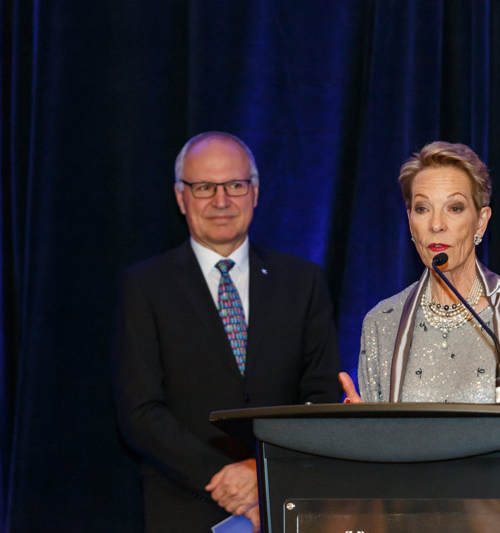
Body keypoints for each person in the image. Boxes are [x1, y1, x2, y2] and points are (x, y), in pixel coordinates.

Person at [113, 132, 341, 532]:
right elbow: (140, 412)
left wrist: (263, 473)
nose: (221, 201)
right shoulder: (144, 287)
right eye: (204, 187)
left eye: (235, 185)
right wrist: (231, 478)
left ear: (254, 192)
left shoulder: (303, 281)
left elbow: (320, 399)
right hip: (183, 507)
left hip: (284, 506)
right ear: (181, 197)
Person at [339, 141, 500, 407]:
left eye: (454, 208)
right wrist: (362, 431)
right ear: (410, 222)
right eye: (422, 208)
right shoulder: (381, 323)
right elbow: (377, 444)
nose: (436, 224)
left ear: (481, 221)